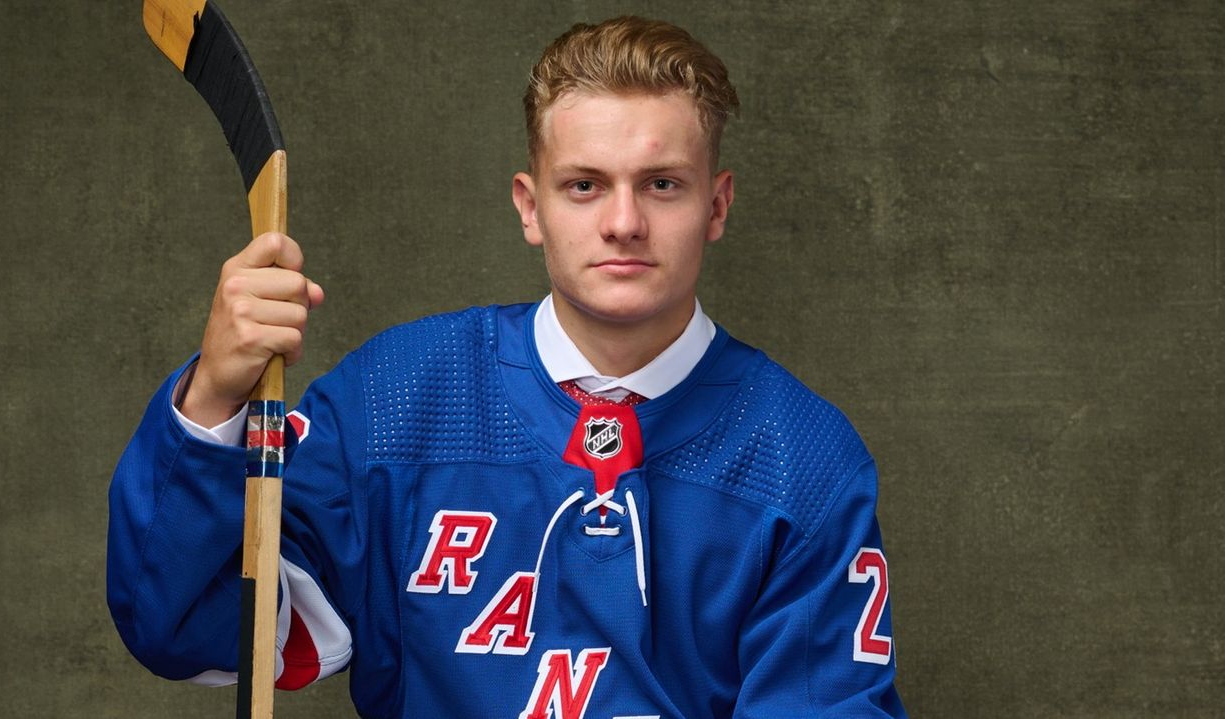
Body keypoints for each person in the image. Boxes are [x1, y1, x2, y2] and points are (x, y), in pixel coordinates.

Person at [108, 16, 907, 718]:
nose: (623, 222)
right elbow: (193, 631)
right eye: (584, 185)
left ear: (717, 204)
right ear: (531, 205)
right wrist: (213, 395)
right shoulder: (394, 398)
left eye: (662, 184)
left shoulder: (806, 458)